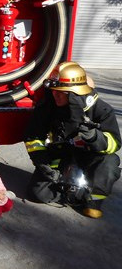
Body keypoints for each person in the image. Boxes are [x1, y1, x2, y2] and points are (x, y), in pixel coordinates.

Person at [24, 61, 121, 219]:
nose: (55, 95)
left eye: (62, 92)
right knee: (37, 193)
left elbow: (115, 144)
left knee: (109, 163)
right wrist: (42, 163)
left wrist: (95, 137)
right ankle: (72, 194)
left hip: (89, 156)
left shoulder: (101, 110)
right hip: (60, 156)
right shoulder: (48, 107)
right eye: (54, 90)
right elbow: (33, 138)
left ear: (76, 93)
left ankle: (93, 200)